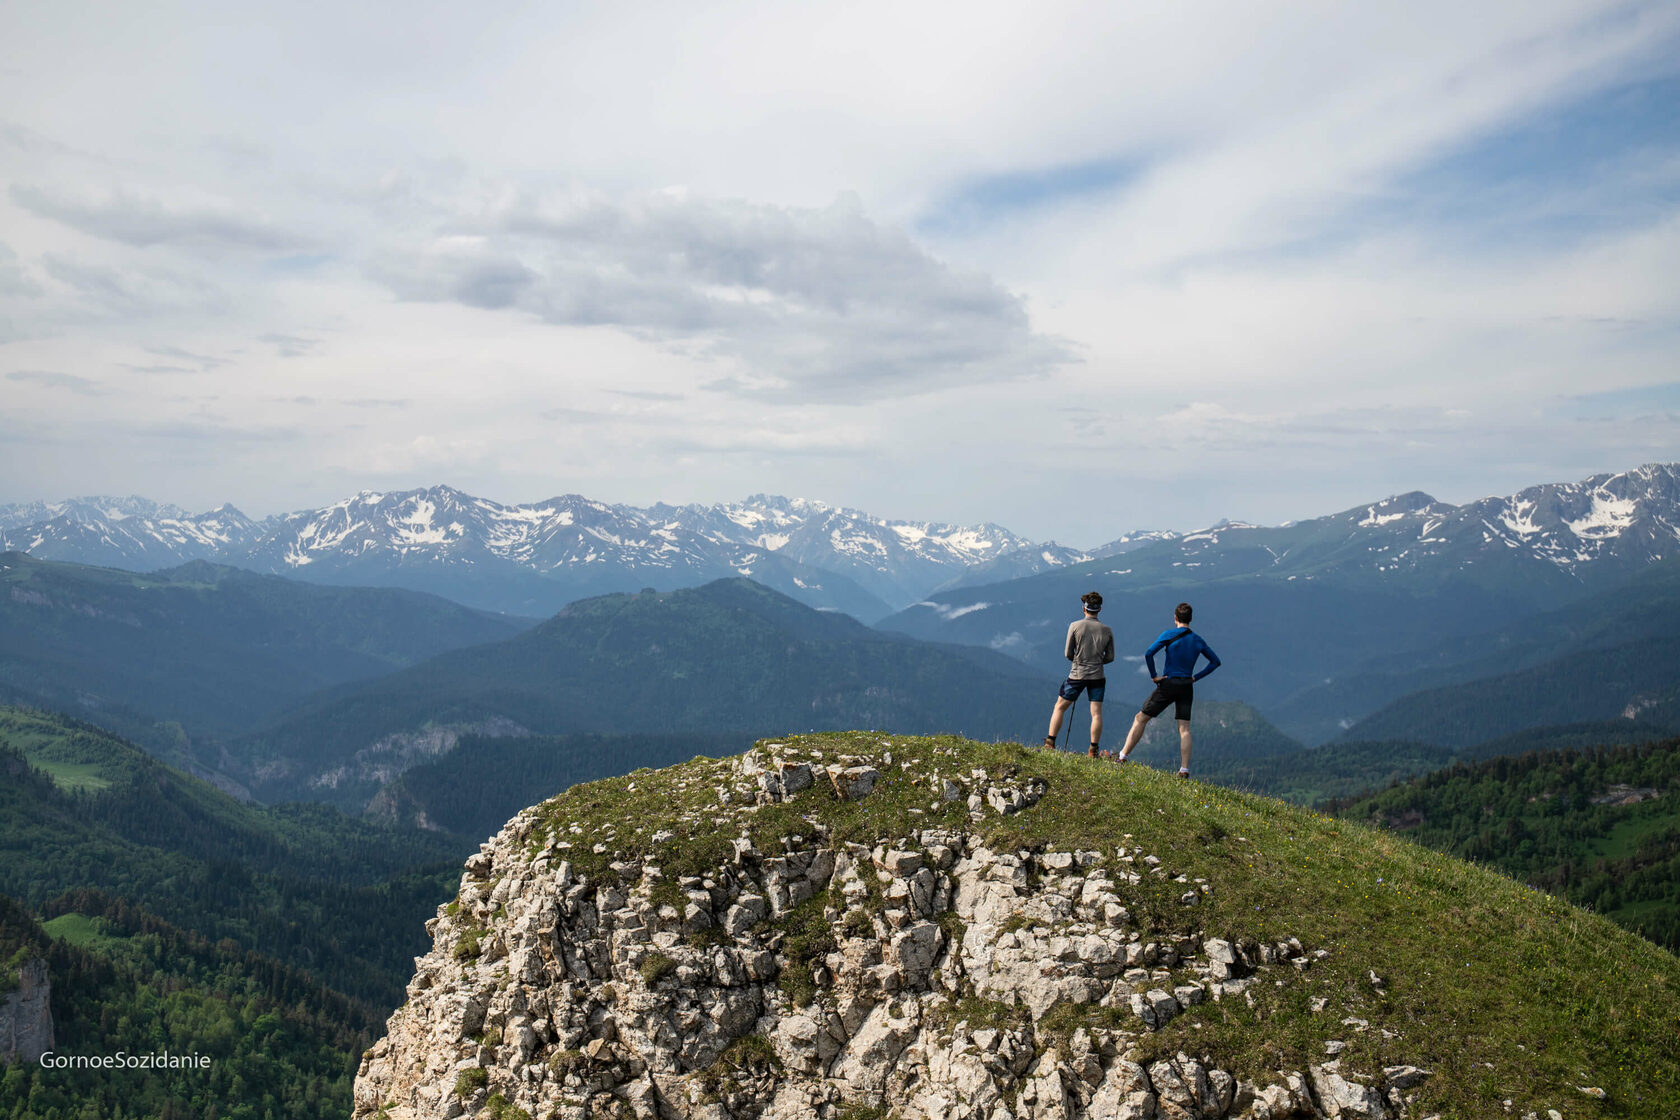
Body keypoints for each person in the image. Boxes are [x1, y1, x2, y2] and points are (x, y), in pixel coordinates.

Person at [1115, 601, 1220, 777]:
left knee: (1141, 718)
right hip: (1187, 685)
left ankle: (1123, 756)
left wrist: (1154, 675)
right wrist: (1196, 677)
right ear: (1191, 619)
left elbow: (1149, 653)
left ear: (1175, 618)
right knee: (1184, 729)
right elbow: (1215, 662)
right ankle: (1184, 769)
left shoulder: (1169, 634)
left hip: (1168, 683)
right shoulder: (1197, 640)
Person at [1044, 590, 1114, 756]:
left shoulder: (1075, 626)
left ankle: (1050, 742)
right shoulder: (1107, 630)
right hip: (1097, 675)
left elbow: (1068, 653)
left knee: (1060, 707)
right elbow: (1110, 657)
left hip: (1077, 674)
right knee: (1096, 713)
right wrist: (1097, 662)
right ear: (1100, 609)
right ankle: (1093, 749)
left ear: (1084, 608)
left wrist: (1079, 660)